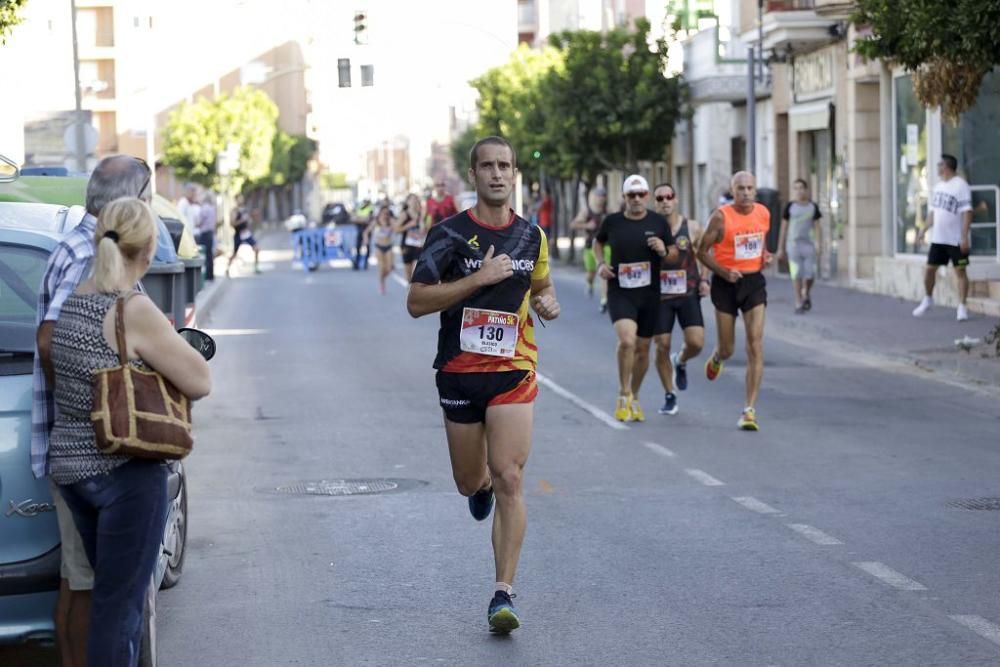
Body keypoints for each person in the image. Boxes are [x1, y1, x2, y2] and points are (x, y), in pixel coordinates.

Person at [45, 197, 210, 666]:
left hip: (74, 473)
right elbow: (200, 379)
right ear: (150, 247)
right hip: (125, 474)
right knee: (122, 612)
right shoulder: (130, 309)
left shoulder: (75, 300)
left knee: (108, 600)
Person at [406, 136, 560, 634]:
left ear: (514, 173)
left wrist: (547, 302)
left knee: (512, 475)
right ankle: (483, 485)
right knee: (471, 481)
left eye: (505, 166)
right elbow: (417, 301)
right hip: (458, 371)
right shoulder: (447, 235)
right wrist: (477, 279)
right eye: (487, 166)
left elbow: (541, 284)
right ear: (473, 175)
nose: (497, 174)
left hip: (513, 368)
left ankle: (502, 593)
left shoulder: (531, 236)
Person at [33, 155, 176, 667]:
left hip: (78, 452)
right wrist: (92, 414)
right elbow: (51, 340)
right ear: (133, 200)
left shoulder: (81, 244)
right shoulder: (89, 254)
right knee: (104, 597)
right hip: (97, 454)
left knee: (82, 585)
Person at [593, 175, 677, 422]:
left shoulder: (658, 222)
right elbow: (597, 243)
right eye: (632, 195)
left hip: (650, 294)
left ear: (647, 196)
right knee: (627, 341)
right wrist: (600, 264)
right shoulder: (613, 222)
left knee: (643, 349)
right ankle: (623, 391)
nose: (637, 199)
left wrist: (662, 249)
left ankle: (635, 395)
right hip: (621, 290)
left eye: (641, 194)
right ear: (625, 197)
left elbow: (672, 255)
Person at [696, 171, 773, 431]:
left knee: (755, 343)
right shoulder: (720, 217)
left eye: (750, 188)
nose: (746, 193)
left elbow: (758, 245)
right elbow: (701, 252)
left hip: (753, 282)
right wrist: (723, 272)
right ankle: (718, 357)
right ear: (732, 190)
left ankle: (749, 410)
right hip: (726, 284)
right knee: (728, 348)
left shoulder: (763, 213)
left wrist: (766, 256)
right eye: (741, 189)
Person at [651, 182, 706, 416]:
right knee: (661, 344)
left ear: (676, 199)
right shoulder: (650, 229)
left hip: (688, 293)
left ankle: (680, 360)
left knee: (696, 343)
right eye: (660, 198)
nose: (665, 201)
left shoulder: (692, 227)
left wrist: (705, 279)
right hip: (660, 296)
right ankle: (669, 394)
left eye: (669, 196)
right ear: (655, 203)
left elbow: (704, 254)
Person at [913, 154, 973, 321]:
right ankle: (928, 299)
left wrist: (964, 237)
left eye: (940, 165)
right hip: (938, 239)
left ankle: (962, 307)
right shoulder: (938, 186)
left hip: (955, 240)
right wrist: (923, 230)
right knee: (930, 270)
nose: (938, 168)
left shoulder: (961, 186)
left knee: (960, 271)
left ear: (946, 167)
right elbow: (933, 212)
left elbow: (967, 212)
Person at [777, 179, 822, 314]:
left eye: (801, 188)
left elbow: (817, 227)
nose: (799, 191)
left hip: (809, 245)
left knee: (811, 273)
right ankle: (798, 301)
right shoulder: (790, 207)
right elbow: (783, 228)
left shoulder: (813, 206)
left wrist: (819, 243)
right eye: (796, 188)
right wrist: (780, 248)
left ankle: (805, 291)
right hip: (793, 245)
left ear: (806, 190)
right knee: (796, 274)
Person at [570, 187, 610, 306]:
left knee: (605, 272)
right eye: (598, 196)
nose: (600, 199)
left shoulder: (608, 212)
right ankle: (590, 283)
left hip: (605, 246)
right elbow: (573, 224)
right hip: (590, 246)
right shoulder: (587, 211)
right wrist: (587, 225)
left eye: (603, 196)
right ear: (594, 197)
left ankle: (604, 299)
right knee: (591, 273)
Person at [363, 206, 398, 295]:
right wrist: (366, 239)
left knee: (389, 268)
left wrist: (393, 222)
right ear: (379, 214)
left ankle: (382, 278)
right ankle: (382, 284)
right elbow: (366, 232)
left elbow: (398, 229)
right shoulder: (376, 222)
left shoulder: (391, 221)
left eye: (387, 213)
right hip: (379, 247)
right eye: (383, 213)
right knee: (382, 268)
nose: (385, 215)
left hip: (388, 246)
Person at [225, 196, 260, 276]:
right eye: (239, 199)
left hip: (246, 233)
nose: (241, 200)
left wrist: (253, 218)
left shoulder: (244, 210)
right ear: (236, 200)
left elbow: (248, 220)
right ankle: (227, 268)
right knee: (234, 253)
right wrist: (242, 221)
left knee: (256, 248)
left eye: (242, 198)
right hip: (238, 234)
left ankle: (256, 267)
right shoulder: (234, 211)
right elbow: (232, 224)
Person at [397, 193, 428, 280]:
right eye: (412, 199)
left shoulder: (421, 214)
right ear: (407, 202)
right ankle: (409, 289)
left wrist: (423, 226)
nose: (414, 201)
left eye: (415, 199)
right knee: (408, 275)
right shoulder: (404, 214)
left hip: (418, 245)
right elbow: (396, 229)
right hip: (406, 246)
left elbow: (425, 230)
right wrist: (408, 225)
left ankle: (414, 289)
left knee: (416, 270)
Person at [197, 192, 217, 281]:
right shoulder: (212, 208)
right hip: (211, 232)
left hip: (204, 233)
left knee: (203, 254)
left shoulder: (204, 208)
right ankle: (210, 275)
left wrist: (197, 224)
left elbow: (200, 221)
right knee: (210, 254)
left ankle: (204, 276)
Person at [352, 199, 374, 270]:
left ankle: (365, 263)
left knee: (367, 246)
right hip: (360, 229)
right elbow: (353, 218)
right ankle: (357, 263)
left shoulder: (370, 209)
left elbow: (367, 219)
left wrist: (359, 219)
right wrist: (361, 219)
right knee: (358, 247)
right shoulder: (359, 209)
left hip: (367, 230)